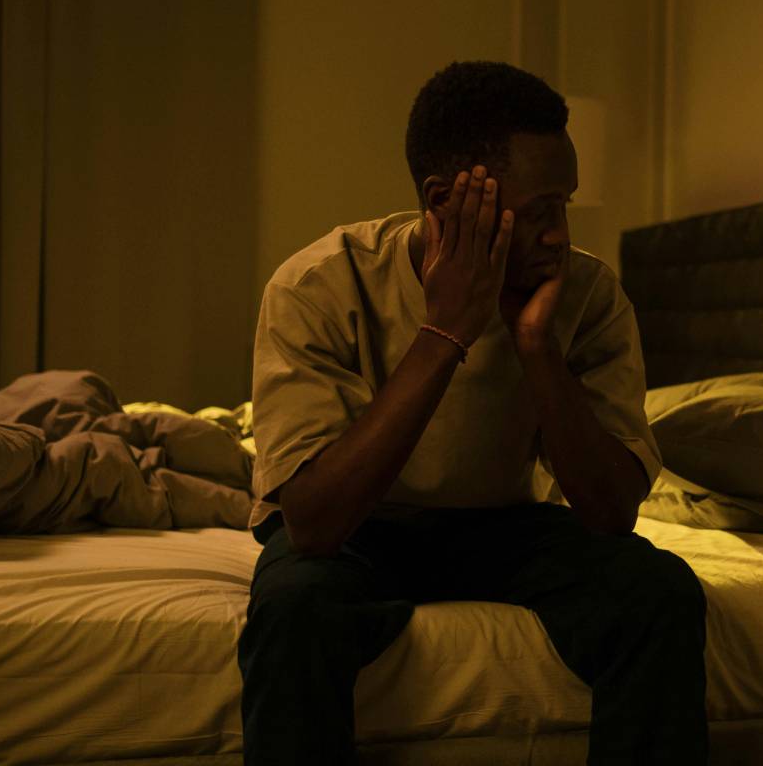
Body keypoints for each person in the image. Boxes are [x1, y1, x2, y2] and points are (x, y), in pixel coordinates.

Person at [238, 60, 708, 765]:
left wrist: (536, 346)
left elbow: (610, 513)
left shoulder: (588, 295)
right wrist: (445, 331)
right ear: (445, 198)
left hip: (503, 525)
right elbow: (312, 522)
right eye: (541, 209)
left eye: (567, 206)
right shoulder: (319, 284)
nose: (559, 234)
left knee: (658, 592)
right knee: (292, 611)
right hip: (361, 528)